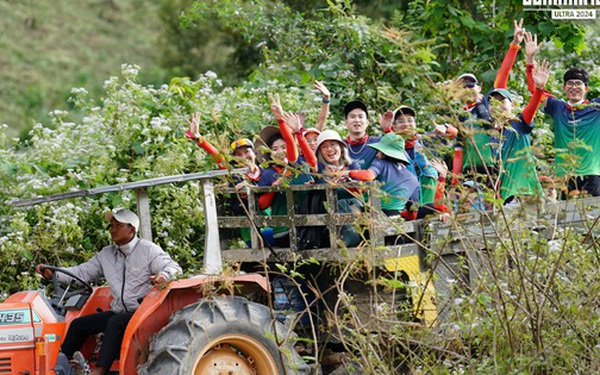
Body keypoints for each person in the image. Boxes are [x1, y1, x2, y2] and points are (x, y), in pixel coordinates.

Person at [36, 208, 182, 375]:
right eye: (111, 225)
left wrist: (164, 275)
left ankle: (99, 370)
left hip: (142, 313)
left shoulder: (148, 250)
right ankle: (59, 365)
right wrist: (54, 274)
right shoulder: (107, 254)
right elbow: (83, 272)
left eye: (118, 225)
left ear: (132, 229)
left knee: (115, 323)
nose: (112, 229)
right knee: (79, 324)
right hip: (119, 310)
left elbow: (174, 268)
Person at [526, 36, 600, 196]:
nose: (574, 87)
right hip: (564, 176)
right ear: (564, 88)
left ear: (586, 88)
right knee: (566, 219)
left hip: (592, 174)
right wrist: (530, 58)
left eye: (578, 83)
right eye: (570, 83)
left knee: (593, 218)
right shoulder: (558, 107)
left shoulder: (596, 108)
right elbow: (535, 91)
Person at [346, 133, 419, 216]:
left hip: (375, 215)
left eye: (379, 151)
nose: (377, 154)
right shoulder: (413, 178)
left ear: (385, 153)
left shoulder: (381, 163)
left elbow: (369, 176)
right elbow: (413, 213)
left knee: (346, 204)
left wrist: (348, 173)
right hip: (396, 220)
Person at [343, 100, 382, 169]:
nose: (357, 120)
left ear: (367, 122)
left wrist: (388, 129)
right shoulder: (340, 146)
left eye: (360, 117)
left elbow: (397, 148)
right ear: (346, 122)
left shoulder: (379, 143)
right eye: (352, 117)